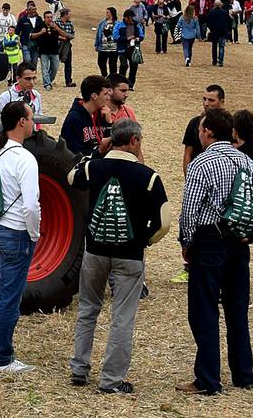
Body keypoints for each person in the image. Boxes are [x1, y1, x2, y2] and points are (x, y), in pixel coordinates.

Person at [67, 119, 168, 395]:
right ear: (134, 141)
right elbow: (164, 223)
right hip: (130, 255)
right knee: (122, 317)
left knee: (88, 309)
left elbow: (71, 178)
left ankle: (79, 368)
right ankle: (111, 379)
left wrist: (97, 153)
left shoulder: (93, 167)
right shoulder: (148, 176)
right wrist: (144, 240)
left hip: (95, 251)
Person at [176, 109, 253, 396]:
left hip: (209, 241)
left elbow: (189, 211)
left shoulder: (202, 164)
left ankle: (207, 378)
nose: (199, 134)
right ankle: (243, 373)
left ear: (209, 133)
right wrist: (248, 233)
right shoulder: (248, 162)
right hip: (239, 243)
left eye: (201, 130)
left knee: (204, 311)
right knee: (237, 310)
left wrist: (186, 243)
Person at [0, 101, 42, 372]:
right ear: (22, 123)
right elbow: (30, 205)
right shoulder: (25, 158)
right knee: (9, 297)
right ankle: (2, 357)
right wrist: (34, 234)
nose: (34, 122)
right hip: (13, 233)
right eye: (31, 117)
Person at [60, 75, 112, 160]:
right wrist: (99, 153)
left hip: (99, 163)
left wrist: (109, 123)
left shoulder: (103, 113)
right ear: (94, 96)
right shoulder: (74, 119)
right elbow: (74, 154)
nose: (108, 98)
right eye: (105, 94)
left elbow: (110, 145)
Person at [182, 85, 226, 174]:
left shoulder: (229, 125)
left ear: (221, 102)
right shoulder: (194, 123)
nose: (206, 103)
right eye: (204, 99)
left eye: (211, 100)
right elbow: (187, 155)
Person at [35, 9, 63, 91]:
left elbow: (64, 34)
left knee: (55, 68)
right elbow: (32, 35)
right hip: (44, 51)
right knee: (45, 69)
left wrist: (56, 28)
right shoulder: (40, 25)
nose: (50, 19)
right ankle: (47, 84)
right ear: (44, 18)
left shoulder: (55, 25)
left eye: (51, 17)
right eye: (48, 17)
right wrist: (40, 32)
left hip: (54, 51)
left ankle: (48, 81)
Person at [203, 0, 234, 67]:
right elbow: (229, 21)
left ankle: (214, 61)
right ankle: (221, 61)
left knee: (214, 46)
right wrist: (228, 29)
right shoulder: (225, 12)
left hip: (214, 31)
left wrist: (211, 28)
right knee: (221, 46)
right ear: (221, 5)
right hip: (223, 31)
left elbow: (208, 21)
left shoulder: (211, 12)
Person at [116, 11, 143, 89]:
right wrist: (126, 38)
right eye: (130, 17)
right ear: (125, 17)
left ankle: (130, 84)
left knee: (134, 67)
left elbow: (141, 34)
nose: (131, 19)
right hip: (122, 49)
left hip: (133, 49)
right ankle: (121, 83)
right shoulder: (119, 25)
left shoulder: (136, 25)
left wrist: (139, 38)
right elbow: (115, 36)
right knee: (124, 66)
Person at [94, 8, 120, 78]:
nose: (106, 14)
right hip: (103, 47)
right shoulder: (102, 23)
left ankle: (112, 78)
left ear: (112, 13)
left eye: (108, 12)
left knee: (112, 64)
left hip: (113, 48)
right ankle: (104, 74)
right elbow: (98, 34)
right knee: (101, 62)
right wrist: (96, 44)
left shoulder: (117, 23)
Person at [56, 7, 77, 87]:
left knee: (68, 64)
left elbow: (72, 35)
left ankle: (68, 81)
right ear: (65, 15)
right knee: (54, 63)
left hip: (67, 46)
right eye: (69, 14)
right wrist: (63, 37)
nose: (70, 16)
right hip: (57, 45)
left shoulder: (70, 23)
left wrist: (65, 36)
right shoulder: (56, 22)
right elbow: (54, 34)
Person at [177, 4, 200, 68]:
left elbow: (178, 25)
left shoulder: (182, 17)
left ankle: (186, 57)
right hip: (192, 35)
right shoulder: (195, 19)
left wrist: (181, 29)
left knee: (185, 48)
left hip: (184, 35)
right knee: (190, 48)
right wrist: (198, 36)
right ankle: (189, 60)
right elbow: (197, 28)